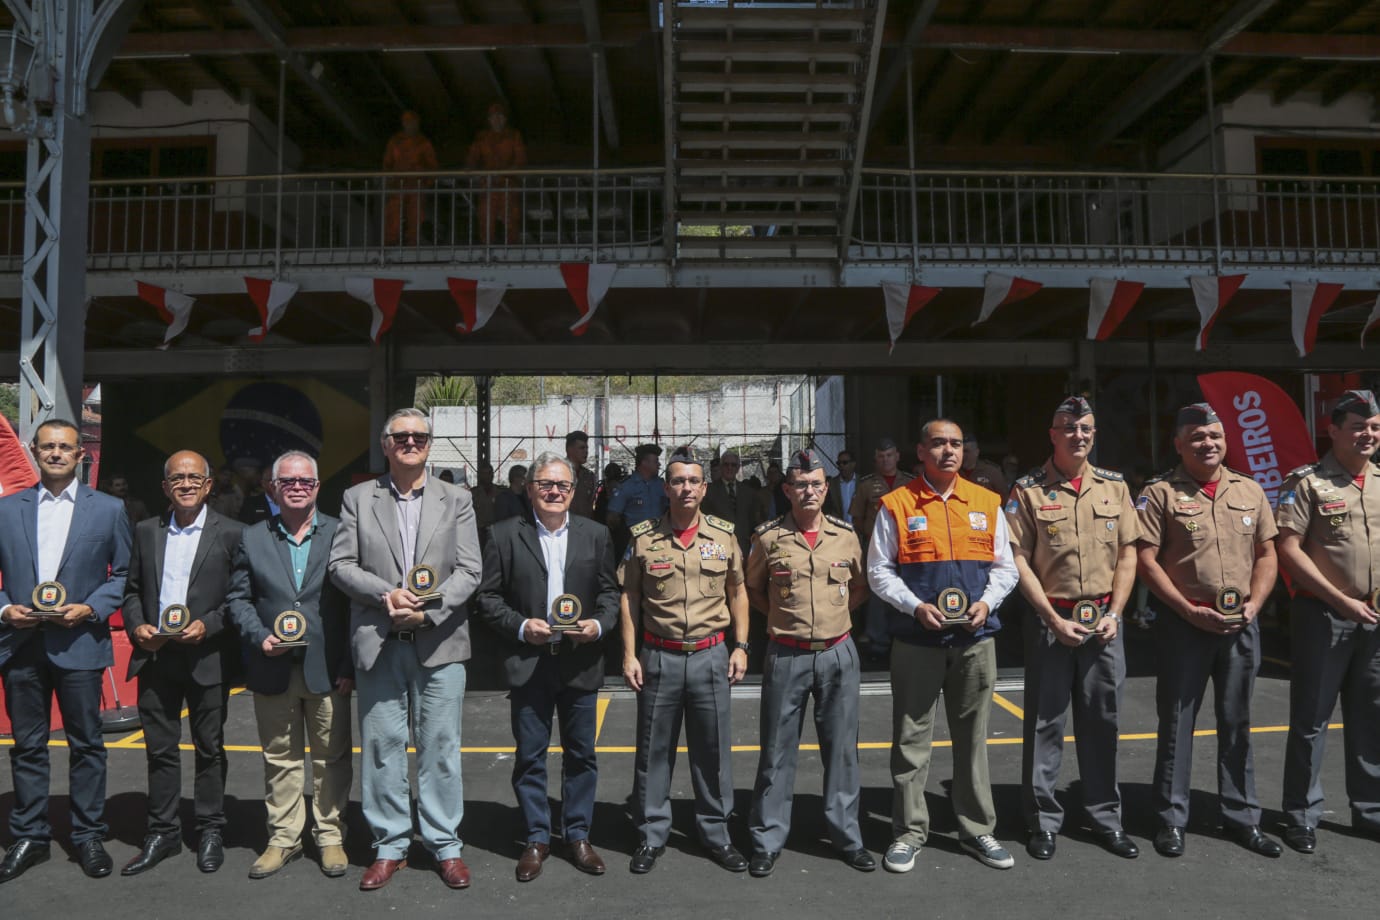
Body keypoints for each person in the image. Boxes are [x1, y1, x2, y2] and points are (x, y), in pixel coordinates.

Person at [329, 408, 483, 891]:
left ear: (429, 444)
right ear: (386, 444)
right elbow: (340, 564)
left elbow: (470, 571)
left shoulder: (456, 498)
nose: (410, 442)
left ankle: (444, 844)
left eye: (419, 435)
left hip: (439, 642)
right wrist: (385, 594)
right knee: (381, 748)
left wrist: (428, 611)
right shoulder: (358, 498)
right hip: (379, 642)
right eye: (401, 436)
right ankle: (390, 844)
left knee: (439, 748)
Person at [868, 420, 1019, 873]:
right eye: (939, 443)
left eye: (955, 443)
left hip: (975, 639)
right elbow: (878, 570)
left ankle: (977, 830)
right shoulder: (896, 503)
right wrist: (914, 607)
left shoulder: (987, 501)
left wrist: (987, 602)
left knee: (973, 740)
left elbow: (1005, 568)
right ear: (921, 451)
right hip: (917, 640)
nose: (949, 451)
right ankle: (909, 831)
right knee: (912, 739)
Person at [1135, 403, 1282, 859]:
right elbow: (1145, 559)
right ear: (1179, 444)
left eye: (1215, 436)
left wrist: (1256, 604)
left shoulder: (1250, 490)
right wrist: (1184, 609)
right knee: (1178, 724)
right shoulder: (1159, 493)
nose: (1208, 443)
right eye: (1197, 437)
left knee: (1237, 723)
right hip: (1185, 627)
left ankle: (1242, 818)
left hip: (1240, 626)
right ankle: (1171, 820)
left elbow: (1267, 555)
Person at [1005, 396, 1140, 861]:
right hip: (1051, 622)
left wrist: (1116, 613)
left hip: (1103, 622)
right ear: (1052, 434)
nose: (1077, 435)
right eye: (1068, 427)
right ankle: (1042, 820)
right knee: (1045, 724)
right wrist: (1051, 618)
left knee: (1103, 722)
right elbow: (1017, 558)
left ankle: (1105, 817)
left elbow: (1128, 553)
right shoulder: (1028, 490)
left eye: (1085, 428)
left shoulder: (1115, 488)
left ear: (1093, 434)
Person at [476, 452, 620, 881]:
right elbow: (487, 598)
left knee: (582, 755)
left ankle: (577, 835)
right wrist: (521, 627)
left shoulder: (595, 535)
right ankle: (537, 837)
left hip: (579, 661)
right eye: (545, 484)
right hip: (530, 661)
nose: (554, 491)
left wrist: (596, 624)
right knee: (531, 757)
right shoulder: (502, 535)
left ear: (574, 492)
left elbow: (611, 595)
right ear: (529, 488)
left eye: (562, 485)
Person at [0, 419, 131, 884]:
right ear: (35, 451)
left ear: (81, 456)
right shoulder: (7, 507)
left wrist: (91, 609)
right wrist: (4, 610)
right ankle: (30, 837)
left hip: (79, 643)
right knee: (27, 747)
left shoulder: (109, 509)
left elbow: (122, 576)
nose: (56, 453)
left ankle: (88, 834)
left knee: (87, 745)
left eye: (65, 447)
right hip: (22, 644)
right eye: (48, 446)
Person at [620, 448, 750, 875]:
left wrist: (741, 646)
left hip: (712, 654)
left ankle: (716, 832)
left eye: (693, 481)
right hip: (659, 656)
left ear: (704, 487)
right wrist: (628, 654)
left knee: (712, 751)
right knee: (653, 752)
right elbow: (631, 596)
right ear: (666, 486)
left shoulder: (723, 535)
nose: (686, 487)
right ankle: (651, 832)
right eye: (678, 480)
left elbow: (738, 592)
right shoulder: (644, 537)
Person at [744, 450, 873, 877]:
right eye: (801, 485)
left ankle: (847, 836)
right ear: (787, 490)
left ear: (826, 487)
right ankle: (767, 838)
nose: (810, 491)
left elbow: (859, 586)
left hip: (838, 652)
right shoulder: (768, 538)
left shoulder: (845, 535)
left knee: (842, 750)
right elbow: (753, 589)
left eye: (817, 484)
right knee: (777, 752)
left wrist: (836, 622)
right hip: (786, 652)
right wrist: (784, 621)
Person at [227, 450, 354, 879]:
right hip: (272, 665)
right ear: (272, 488)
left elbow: (353, 605)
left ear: (317, 487)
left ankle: (330, 835)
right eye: (288, 481)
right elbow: (238, 599)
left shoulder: (341, 533)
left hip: (327, 667)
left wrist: (349, 664)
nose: (297, 487)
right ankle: (283, 839)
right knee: (280, 758)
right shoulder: (252, 537)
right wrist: (260, 636)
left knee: (330, 757)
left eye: (305, 481)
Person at [120, 451, 245, 876]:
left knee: (209, 748)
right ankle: (163, 831)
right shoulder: (144, 531)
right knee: (160, 750)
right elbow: (131, 589)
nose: (186, 484)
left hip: (206, 658)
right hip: (156, 657)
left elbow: (239, 599)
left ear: (209, 485)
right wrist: (136, 626)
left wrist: (207, 626)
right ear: (165, 487)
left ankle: (210, 828)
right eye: (177, 478)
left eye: (195, 478)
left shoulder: (232, 533)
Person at [1276, 388, 1380, 855]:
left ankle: (1371, 810)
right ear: (1333, 430)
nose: (1368, 434)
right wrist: (1340, 600)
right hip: (1325, 615)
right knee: (1312, 719)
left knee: (1371, 718)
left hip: (1374, 620)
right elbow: (1289, 549)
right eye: (1358, 426)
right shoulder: (1308, 482)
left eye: (1374, 427)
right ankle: (1300, 815)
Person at [849, 438, 915, 663]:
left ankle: (904, 633)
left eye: (890, 455)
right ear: (876, 459)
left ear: (897, 456)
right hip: (876, 544)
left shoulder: (911, 482)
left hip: (907, 544)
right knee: (877, 591)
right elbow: (857, 517)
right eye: (881, 456)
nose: (886, 460)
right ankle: (878, 639)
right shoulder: (867, 484)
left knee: (907, 586)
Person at [466, 100, 527, 245]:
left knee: (511, 217)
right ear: (489, 120)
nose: (497, 120)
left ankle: (511, 248)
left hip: (508, 184)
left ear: (505, 119)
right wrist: (473, 173)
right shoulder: (482, 138)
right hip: (488, 185)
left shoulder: (514, 136)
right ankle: (487, 246)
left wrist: (506, 173)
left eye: (500, 116)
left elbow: (520, 160)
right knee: (485, 217)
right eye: (494, 116)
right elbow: (471, 160)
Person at [383, 110, 438, 246]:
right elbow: (387, 164)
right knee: (393, 214)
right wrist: (389, 180)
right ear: (403, 123)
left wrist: (426, 184)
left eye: (413, 122)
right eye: (408, 122)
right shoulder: (395, 141)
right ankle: (391, 242)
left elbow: (433, 167)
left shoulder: (423, 143)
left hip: (416, 186)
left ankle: (412, 243)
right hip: (398, 186)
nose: (410, 125)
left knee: (415, 215)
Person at [702, 450, 763, 558]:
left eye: (733, 465)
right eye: (726, 464)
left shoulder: (749, 492)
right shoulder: (708, 492)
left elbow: (754, 522)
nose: (729, 468)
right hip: (717, 548)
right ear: (721, 467)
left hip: (745, 548)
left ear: (738, 467)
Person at [608, 444, 667, 533]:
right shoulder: (626, 486)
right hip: (634, 539)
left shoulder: (661, 485)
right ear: (644, 462)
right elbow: (612, 518)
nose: (659, 464)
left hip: (660, 537)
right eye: (656, 461)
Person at [960, 433, 1008, 500]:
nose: (963, 455)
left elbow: (1005, 499)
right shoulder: (953, 473)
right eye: (961, 451)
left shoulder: (991, 472)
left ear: (976, 452)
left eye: (966, 451)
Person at [566, 430, 598, 519]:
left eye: (587, 448)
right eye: (582, 448)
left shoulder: (589, 476)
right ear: (570, 449)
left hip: (584, 526)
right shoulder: (558, 472)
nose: (586, 451)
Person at [823, 449, 858, 522]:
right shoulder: (832, 484)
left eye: (845, 463)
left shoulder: (862, 483)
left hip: (858, 528)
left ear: (853, 464)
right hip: (839, 527)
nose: (841, 465)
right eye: (839, 463)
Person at [470, 461, 498, 532]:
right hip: (478, 530)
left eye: (489, 473)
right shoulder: (473, 493)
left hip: (496, 530)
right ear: (480, 475)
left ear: (492, 474)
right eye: (484, 473)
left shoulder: (500, 492)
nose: (487, 476)